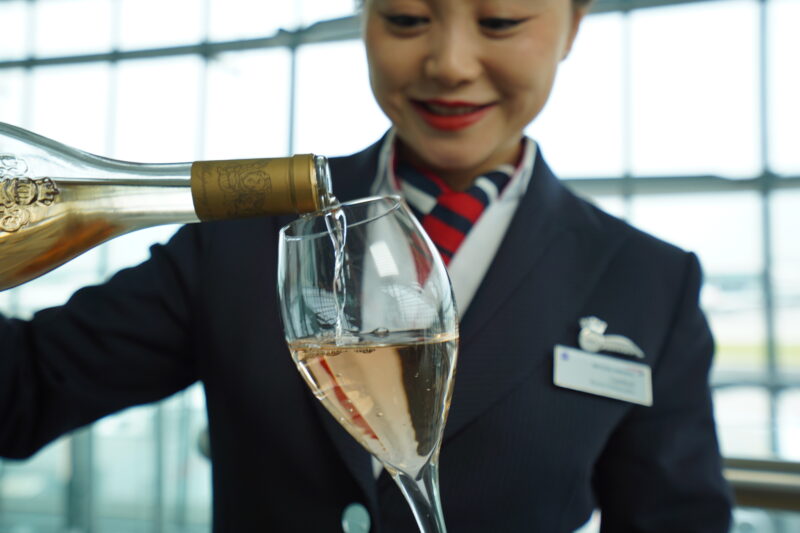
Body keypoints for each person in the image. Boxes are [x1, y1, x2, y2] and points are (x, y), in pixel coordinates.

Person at [0, 0, 733, 531]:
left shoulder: (650, 282)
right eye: (407, 20)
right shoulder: (246, 237)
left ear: (574, 22)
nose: (448, 63)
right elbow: (22, 390)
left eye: (501, 21)